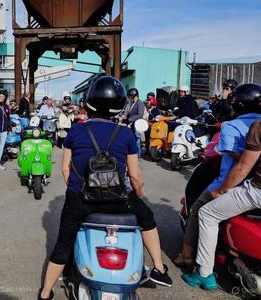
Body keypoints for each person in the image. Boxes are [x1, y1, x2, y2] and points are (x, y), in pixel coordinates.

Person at [38, 76, 172, 300]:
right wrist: (137, 195)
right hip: (119, 199)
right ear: (119, 105)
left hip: (79, 200)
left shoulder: (75, 131)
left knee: (62, 245)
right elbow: (135, 176)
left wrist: (77, 190)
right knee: (147, 218)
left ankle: (44, 293)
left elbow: (64, 171)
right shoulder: (126, 134)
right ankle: (159, 269)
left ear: (88, 102)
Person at [174, 83, 261, 267]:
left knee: (197, 209)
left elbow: (239, 161)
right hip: (253, 182)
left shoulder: (231, 126)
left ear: (239, 105)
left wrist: (222, 190)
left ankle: (187, 256)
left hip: (236, 182)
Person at [182, 119, 261, 290]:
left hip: (257, 191)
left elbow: (243, 168)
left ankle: (204, 274)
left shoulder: (256, 126)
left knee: (206, 213)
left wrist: (221, 190)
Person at [122, 88, 146, 158]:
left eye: (130, 97)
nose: (129, 98)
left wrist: (129, 119)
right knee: (134, 139)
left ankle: (138, 155)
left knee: (137, 140)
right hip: (133, 124)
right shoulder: (133, 103)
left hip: (138, 124)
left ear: (134, 96)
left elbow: (140, 115)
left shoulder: (140, 103)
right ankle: (135, 154)